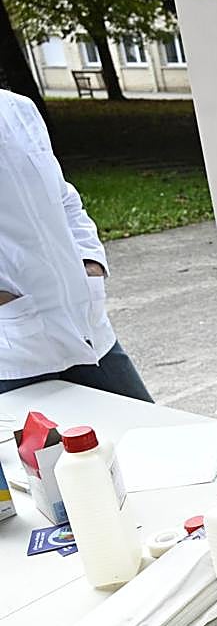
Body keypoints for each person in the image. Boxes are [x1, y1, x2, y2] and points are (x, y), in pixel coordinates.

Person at [0, 89, 151, 400]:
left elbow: (65, 198)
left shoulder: (19, 108)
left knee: (152, 437)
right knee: (36, 449)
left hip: (88, 331)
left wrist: (89, 263)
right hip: (13, 353)